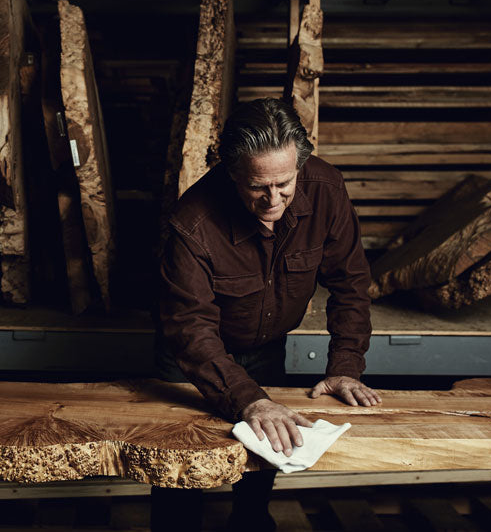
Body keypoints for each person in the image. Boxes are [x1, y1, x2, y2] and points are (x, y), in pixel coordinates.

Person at [154, 97, 381, 531]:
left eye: (285, 183)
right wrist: (250, 399)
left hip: (266, 345)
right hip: (190, 359)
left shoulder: (327, 189)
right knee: (178, 475)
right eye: (258, 187)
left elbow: (351, 284)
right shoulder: (192, 221)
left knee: (263, 465)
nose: (273, 199)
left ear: (300, 165)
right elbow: (190, 326)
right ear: (232, 172)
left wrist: (346, 366)